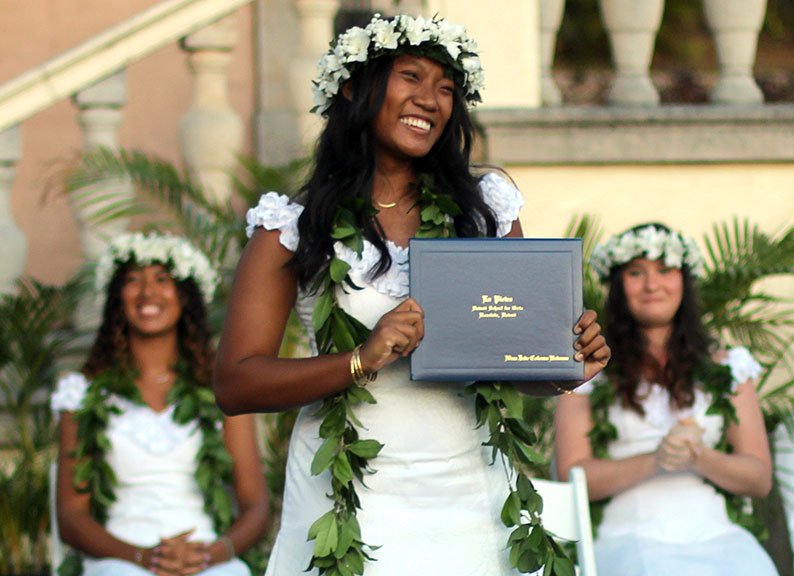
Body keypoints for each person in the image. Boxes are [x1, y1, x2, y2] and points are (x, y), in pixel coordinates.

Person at [213, 14, 610, 576]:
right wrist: (360, 358)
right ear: (354, 86)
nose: (431, 100)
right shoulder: (292, 226)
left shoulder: (486, 211)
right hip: (347, 495)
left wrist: (570, 363)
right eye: (411, 77)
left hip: (468, 487)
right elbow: (235, 383)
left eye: (447, 88)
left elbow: (514, 362)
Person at [554, 223, 778, 575]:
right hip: (629, 536)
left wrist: (698, 457)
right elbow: (572, 476)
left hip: (718, 533)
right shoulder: (590, 368)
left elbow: (759, 477)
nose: (652, 285)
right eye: (635, 272)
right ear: (616, 285)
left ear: (684, 282)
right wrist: (657, 460)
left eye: (665, 270)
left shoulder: (729, 366)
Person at [51, 232, 269, 576]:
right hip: (120, 557)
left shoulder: (220, 391)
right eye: (134, 280)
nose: (148, 293)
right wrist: (144, 558)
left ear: (185, 296)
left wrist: (211, 555)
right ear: (116, 298)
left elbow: (255, 505)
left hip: (204, 555)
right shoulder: (81, 393)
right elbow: (71, 517)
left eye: (163, 280)